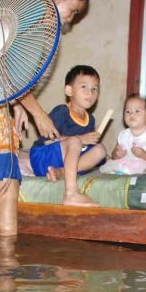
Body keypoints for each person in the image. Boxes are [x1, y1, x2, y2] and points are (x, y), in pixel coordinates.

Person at [0, 0, 90, 236]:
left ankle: (6, 261)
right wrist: (38, 113)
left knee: (6, 185)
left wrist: (19, 102)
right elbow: (7, 67)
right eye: (72, 11)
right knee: (8, 186)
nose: (68, 21)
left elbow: (9, 69)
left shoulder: (27, 13)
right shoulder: (33, 10)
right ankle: (7, 265)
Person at [29, 65, 106, 207]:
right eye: (84, 87)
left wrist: (89, 142)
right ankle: (71, 194)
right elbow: (48, 141)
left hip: (62, 163)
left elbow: (82, 148)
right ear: (69, 90)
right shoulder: (62, 112)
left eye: (95, 89)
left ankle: (62, 172)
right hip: (42, 157)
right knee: (75, 142)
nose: (90, 92)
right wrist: (80, 139)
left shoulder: (91, 119)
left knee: (100, 150)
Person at [99, 94, 146, 174]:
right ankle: (122, 172)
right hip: (126, 164)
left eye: (137, 111)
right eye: (128, 111)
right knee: (111, 161)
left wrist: (143, 154)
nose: (131, 114)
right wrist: (117, 154)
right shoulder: (123, 134)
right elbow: (114, 154)